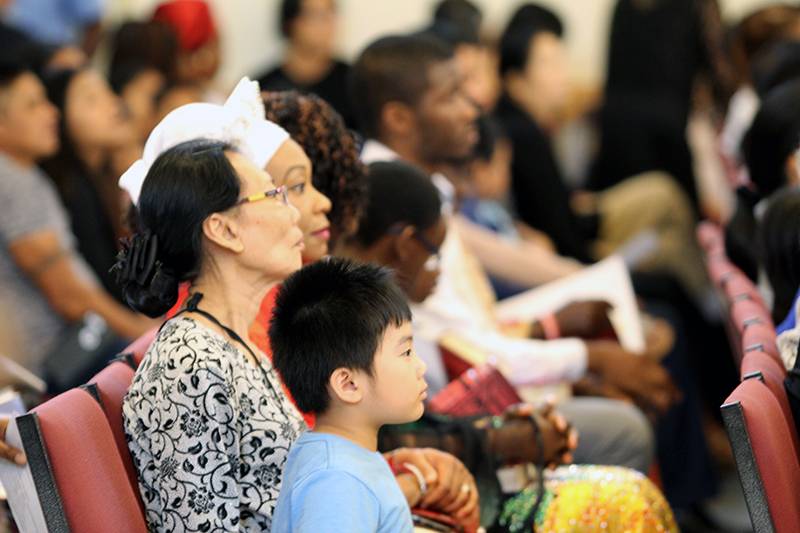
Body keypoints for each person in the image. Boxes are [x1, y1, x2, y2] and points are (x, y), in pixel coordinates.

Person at [119, 85, 483, 529]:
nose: (294, 213)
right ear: (222, 230)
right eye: (274, 195)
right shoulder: (188, 362)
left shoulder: (232, 343)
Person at [339, 160, 677, 532]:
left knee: (622, 468)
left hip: (457, 442)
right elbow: (397, 438)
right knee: (624, 493)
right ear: (403, 245)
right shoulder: (353, 317)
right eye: (435, 254)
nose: (437, 269)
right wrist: (499, 439)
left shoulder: (379, 294)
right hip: (433, 483)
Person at [494, 3, 708, 303]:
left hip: (579, 224)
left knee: (663, 191)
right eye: (550, 64)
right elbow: (563, 239)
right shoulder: (523, 133)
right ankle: (713, 312)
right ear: (516, 76)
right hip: (579, 259)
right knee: (671, 243)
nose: (563, 76)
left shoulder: (527, 123)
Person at [0, 60, 153, 376]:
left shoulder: (24, 175)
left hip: (71, 347)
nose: (51, 112)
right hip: (59, 359)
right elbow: (68, 296)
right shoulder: (13, 182)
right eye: (33, 105)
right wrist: (146, 334)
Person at [270, 258, 435, 532]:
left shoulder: (344, 458)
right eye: (406, 353)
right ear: (348, 385)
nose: (421, 366)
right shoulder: (336, 481)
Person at [590, 0, 734, 208]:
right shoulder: (699, 5)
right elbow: (721, 75)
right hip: (666, 139)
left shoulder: (624, 5)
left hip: (616, 136)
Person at [40, 67, 136, 301]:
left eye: (108, 92)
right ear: (60, 117)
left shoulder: (104, 175)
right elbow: (109, 282)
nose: (113, 104)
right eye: (91, 99)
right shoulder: (73, 191)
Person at [256, 0, 355, 127]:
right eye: (316, 16)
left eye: (331, 14)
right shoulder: (264, 87)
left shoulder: (352, 81)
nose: (328, 24)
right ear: (291, 23)